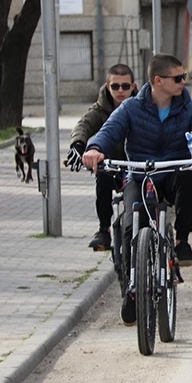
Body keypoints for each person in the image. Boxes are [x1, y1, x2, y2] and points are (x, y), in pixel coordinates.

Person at [83, 54, 192, 325]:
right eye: (178, 78)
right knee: (128, 226)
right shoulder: (132, 107)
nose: (183, 82)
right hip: (139, 173)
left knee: (190, 178)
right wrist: (94, 148)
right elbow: (109, 130)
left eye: (184, 77)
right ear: (158, 81)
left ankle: (181, 241)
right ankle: (131, 289)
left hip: (172, 171)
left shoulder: (187, 107)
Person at [65, 64, 138, 251]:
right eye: (115, 86)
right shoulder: (100, 109)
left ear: (134, 86)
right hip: (112, 166)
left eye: (125, 86)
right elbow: (83, 125)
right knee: (102, 178)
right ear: (107, 86)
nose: (120, 91)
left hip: (139, 166)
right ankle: (104, 230)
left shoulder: (143, 106)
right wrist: (78, 146)